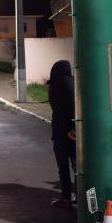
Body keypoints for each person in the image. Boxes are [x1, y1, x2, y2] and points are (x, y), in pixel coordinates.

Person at [48, 60, 77, 208]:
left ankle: (66, 198)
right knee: (76, 166)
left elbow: (62, 110)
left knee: (64, 167)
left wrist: (69, 127)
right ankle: (79, 196)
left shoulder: (58, 85)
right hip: (72, 131)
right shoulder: (70, 83)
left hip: (62, 132)